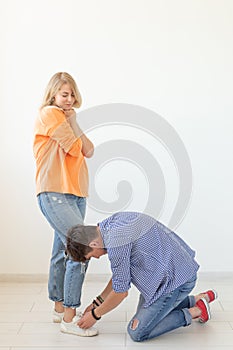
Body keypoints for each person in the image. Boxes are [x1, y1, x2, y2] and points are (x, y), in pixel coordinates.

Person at [66, 211, 218, 341]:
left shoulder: (116, 244)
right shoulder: (112, 223)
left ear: (93, 244)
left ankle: (196, 311)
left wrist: (95, 314)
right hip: (170, 274)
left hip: (174, 282)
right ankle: (197, 299)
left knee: (138, 332)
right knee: (150, 316)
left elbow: (121, 292)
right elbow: (121, 276)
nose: (97, 258)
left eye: (92, 256)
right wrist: (98, 302)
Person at [33, 72, 98, 337]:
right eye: (64, 94)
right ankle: (70, 316)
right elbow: (75, 148)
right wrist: (73, 127)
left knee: (62, 249)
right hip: (54, 192)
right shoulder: (49, 113)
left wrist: (76, 122)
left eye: (72, 94)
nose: (69, 99)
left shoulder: (68, 118)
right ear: (53, 95)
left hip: (75, 194)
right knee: (80, 248)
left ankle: (59, 307)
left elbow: (90, 150)